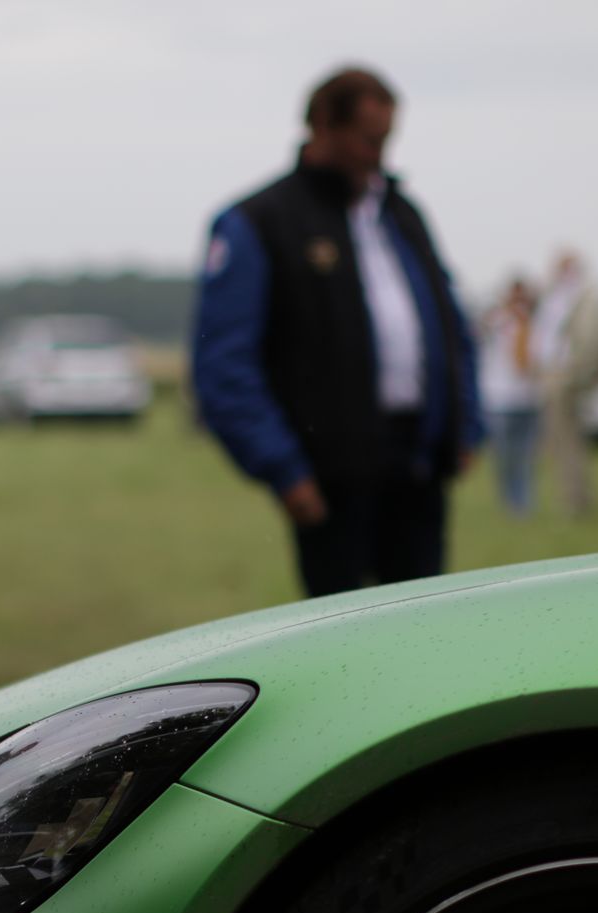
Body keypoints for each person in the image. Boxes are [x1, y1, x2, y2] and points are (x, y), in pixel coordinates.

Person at [192, 66, 484, 597]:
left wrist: (465, 426)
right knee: (344, 638)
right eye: (369, 137)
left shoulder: (402, 214)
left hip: (417, 466)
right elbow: (224, 365)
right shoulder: (258, 222)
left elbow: (450, 325)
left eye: (387, 138)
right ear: (324, 125)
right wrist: (284, 469)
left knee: (423, 625)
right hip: (328, 479)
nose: (380, 151)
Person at [532, 251, 598, 516]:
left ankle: (575, 501)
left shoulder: (582, 297)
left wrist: (574, 376)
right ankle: (573, 497)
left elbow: (590, 342)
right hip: (555, 375)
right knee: (561, 442)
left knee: (568, 442)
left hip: (565, 377)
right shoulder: (558, 296)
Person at [480, 277, 541, 514]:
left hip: (527, 399)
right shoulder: (499, 323)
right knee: (505, 458)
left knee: (525, 457)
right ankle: (508, 501)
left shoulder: (533, 325)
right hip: (500, 400)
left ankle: (523, 504)